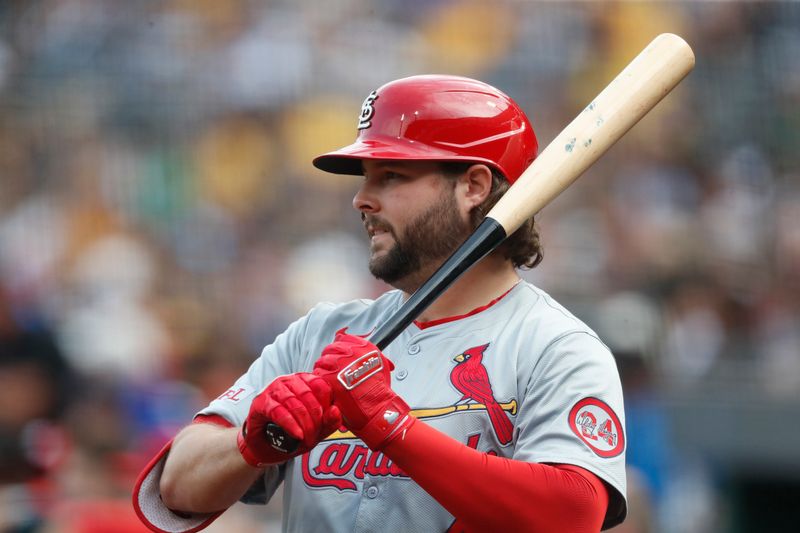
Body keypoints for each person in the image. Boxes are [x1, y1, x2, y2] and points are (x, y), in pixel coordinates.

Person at [133, 75, 627, 532]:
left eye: (390, 176)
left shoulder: (555, 347)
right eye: (365, 176)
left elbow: (574, 512)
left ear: (473, 186)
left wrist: (388, 424)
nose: (361, 199)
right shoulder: (323, 334)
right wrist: (251, 445)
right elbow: (174, 489)